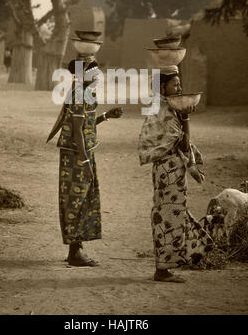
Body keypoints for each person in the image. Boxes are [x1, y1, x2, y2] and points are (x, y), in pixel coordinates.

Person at [138, 67, 212, 283]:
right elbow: (183, 142)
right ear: (162, 87)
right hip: (169, 170)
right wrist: (186, 118)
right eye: (175, 84)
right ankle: (163, 270)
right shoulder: (164, 112)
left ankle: (170, 263)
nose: (179, 88)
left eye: (179, 84)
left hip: (166, 169)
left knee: (169, 213)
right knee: (170, 215)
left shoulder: (160, 108)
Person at [47, 58, 123, 266]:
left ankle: (76, 249)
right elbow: (78, 133)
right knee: (76, 200)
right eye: (94, 73)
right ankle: (75, 252)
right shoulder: (79, 93)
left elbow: (85, 124)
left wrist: (106, 116)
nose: (99, 76)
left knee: (82, 199)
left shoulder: (85, 93)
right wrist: (86, 161)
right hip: (76, 155)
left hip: (81, 152)